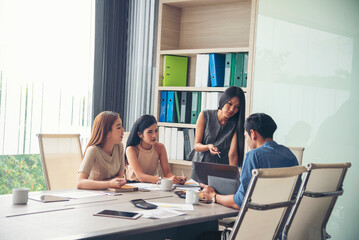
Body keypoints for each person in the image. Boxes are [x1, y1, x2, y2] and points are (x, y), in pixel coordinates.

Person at [201, 113, 298, 209]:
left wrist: (214, 196)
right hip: (283, 216)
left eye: (246, 136)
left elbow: (242, 202)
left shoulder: (254, 155)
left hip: (258, 215)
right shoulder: (288, 153)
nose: (246, 141)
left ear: (253, 133)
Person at [188, 86, 246, 181]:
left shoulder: (237, 124)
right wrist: (208, 146)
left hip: (221, 168)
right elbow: (196, 146)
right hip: (201, 165)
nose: (232, 109)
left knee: (216, 194)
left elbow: (233, 154)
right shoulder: (205, 115)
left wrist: (233, 178)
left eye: (237, 107)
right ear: (223, 100)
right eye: (229, 104)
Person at [125, 114, 186, 184]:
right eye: (150, 132)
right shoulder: (131, 150)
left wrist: (176, 179)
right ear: (140, 134)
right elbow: (141, 177)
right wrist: (165, 179)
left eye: (156, 131)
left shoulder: (160, 147)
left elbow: (168, 173)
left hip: (151, 186)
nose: (154, 135)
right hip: (133, 185)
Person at [77, 111, 127, 190]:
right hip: (93, 194)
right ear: (107, 132)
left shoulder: (119, 147)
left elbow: (120, 177)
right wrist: (109, 183)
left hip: (112, 193)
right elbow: (80, 182)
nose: (123, 131)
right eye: (118, 127)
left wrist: (111, 183)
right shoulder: (93, 151)